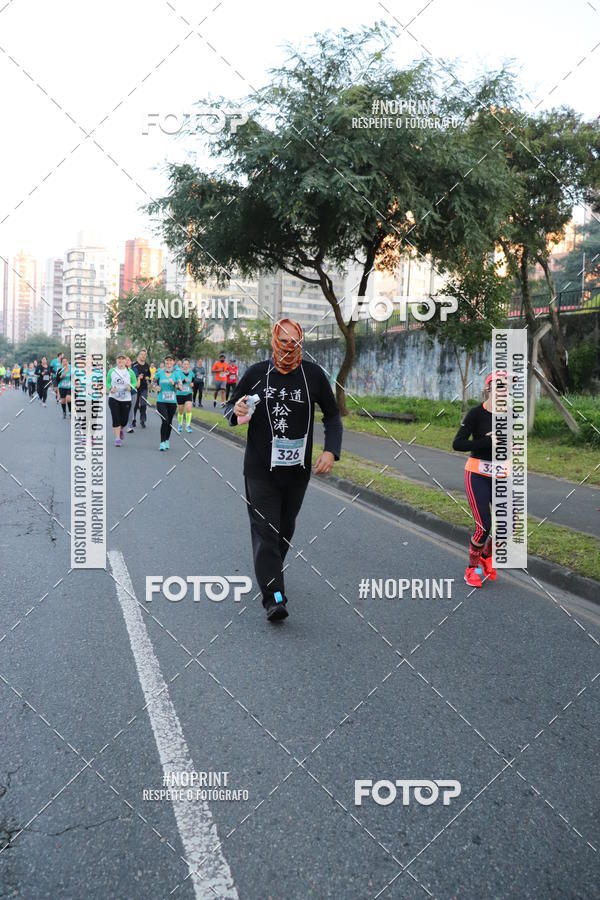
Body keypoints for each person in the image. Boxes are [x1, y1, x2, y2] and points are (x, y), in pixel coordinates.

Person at [225, 318, 343, 622]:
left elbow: (332, 415)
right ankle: (274, 596)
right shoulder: (256, 374)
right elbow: (229, 408)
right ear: (274, 340)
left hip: (297, 472)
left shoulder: (313, 375)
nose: (290, 346)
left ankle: (270, 572)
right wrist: (237, 411)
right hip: (260, 470)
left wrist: (331, 450)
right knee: (266, 532)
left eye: (295, 341)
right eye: (284, 340)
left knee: (284, 529)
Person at [452, 371, 506, 587]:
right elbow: (458, 444)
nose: (503, 390)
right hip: (477, 474)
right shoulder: (476, 414)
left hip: (501, 474)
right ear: (488, 389)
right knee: (483, 526)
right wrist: (485, 442)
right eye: (498, 386)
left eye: (506, 387)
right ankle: (471, 569)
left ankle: (485, 555)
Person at [106, 353, 137, 446]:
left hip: (126, 399)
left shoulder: (130, 371)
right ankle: (117, 439)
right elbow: (107, 382)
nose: (120, 360)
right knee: (116, 418)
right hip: (113, 398)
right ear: (116, 360)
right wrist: (110, 388)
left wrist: (130, 387)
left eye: (122, 359)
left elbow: (134, 382)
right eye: (119, 359)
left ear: (125, 361)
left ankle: (121, 430)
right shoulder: (112, 371)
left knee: (124, 420)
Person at [154, 354, 179, 450]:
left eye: (170, 360)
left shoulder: (176, 374)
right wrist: (156, 386)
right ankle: (162, 442)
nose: (168, 362)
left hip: (172, 402)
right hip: (161, 401)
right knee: (165, 420)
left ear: (173, 362)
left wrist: (175, 384)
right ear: (165, 362)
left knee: (170, 422)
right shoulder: (160, 372)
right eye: (167, 361)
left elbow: (180, 387)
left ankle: (167, 439)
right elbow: (153, 382)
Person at [130, 349, 150, 429]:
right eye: (141, 354)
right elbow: (131, 375)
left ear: (146, 356)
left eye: (144, 355)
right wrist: (138, 377)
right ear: (139, 355)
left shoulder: (147, 365)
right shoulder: (134, 365)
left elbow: (149, 375)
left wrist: (148, 378)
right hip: (135, 388)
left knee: (143, 404)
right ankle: (133, 419)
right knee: (135, 404)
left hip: (144, 388)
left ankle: (142, 420)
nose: (143, 356)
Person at [175, 358, 194, 433]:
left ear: (189, 365)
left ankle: (188, 425)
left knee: (189, 408)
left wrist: (192, 384)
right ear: (182, 365)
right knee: (180, 411)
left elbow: (193, 381)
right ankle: (180, 424)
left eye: (187, 364)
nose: (186, 365)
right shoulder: (178, 373)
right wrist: (183, 381)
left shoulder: (191, 373)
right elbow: (177, 384)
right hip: (180, 393)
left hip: (188, 393)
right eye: (184, 364)